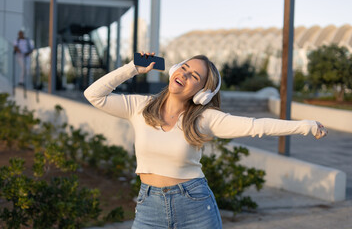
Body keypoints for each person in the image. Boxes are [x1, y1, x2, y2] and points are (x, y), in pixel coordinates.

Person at [84, 52, 327, 229]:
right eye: (184, 68)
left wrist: (306, 126)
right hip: (149, 204)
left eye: (194, 76)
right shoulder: (139, 107)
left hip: (194, 204)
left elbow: (256, 126)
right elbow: (93, 94)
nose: (185, 75)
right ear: (174, 69)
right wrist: (133, 68)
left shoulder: (204, 118)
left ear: (202, 93)